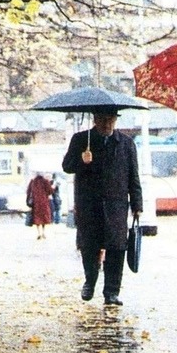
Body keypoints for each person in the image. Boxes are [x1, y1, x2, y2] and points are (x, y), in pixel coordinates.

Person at [61, 109, 142, 306]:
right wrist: (82, 160)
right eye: (102, 120)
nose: (107, 124)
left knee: (116, 248)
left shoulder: (126, 143)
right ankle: (90, 280)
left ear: (115, 120)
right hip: (89, 204)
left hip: (116, 204)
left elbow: (133, 176)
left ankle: (112, 292)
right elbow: (66, 165)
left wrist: (137, 203)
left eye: (110, 119)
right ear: (95, 119)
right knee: (89, 246)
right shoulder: (81, 140)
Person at [25, 171, 56, 239]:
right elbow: (50, 191)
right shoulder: (45, 181)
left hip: (35, 203)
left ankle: (39, 232)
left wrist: (28, 201)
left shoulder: (32, 181)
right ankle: (43, 232)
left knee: (37, 218)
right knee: (44, 218)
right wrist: (52, 187)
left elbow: (28, 191)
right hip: (44, 202)